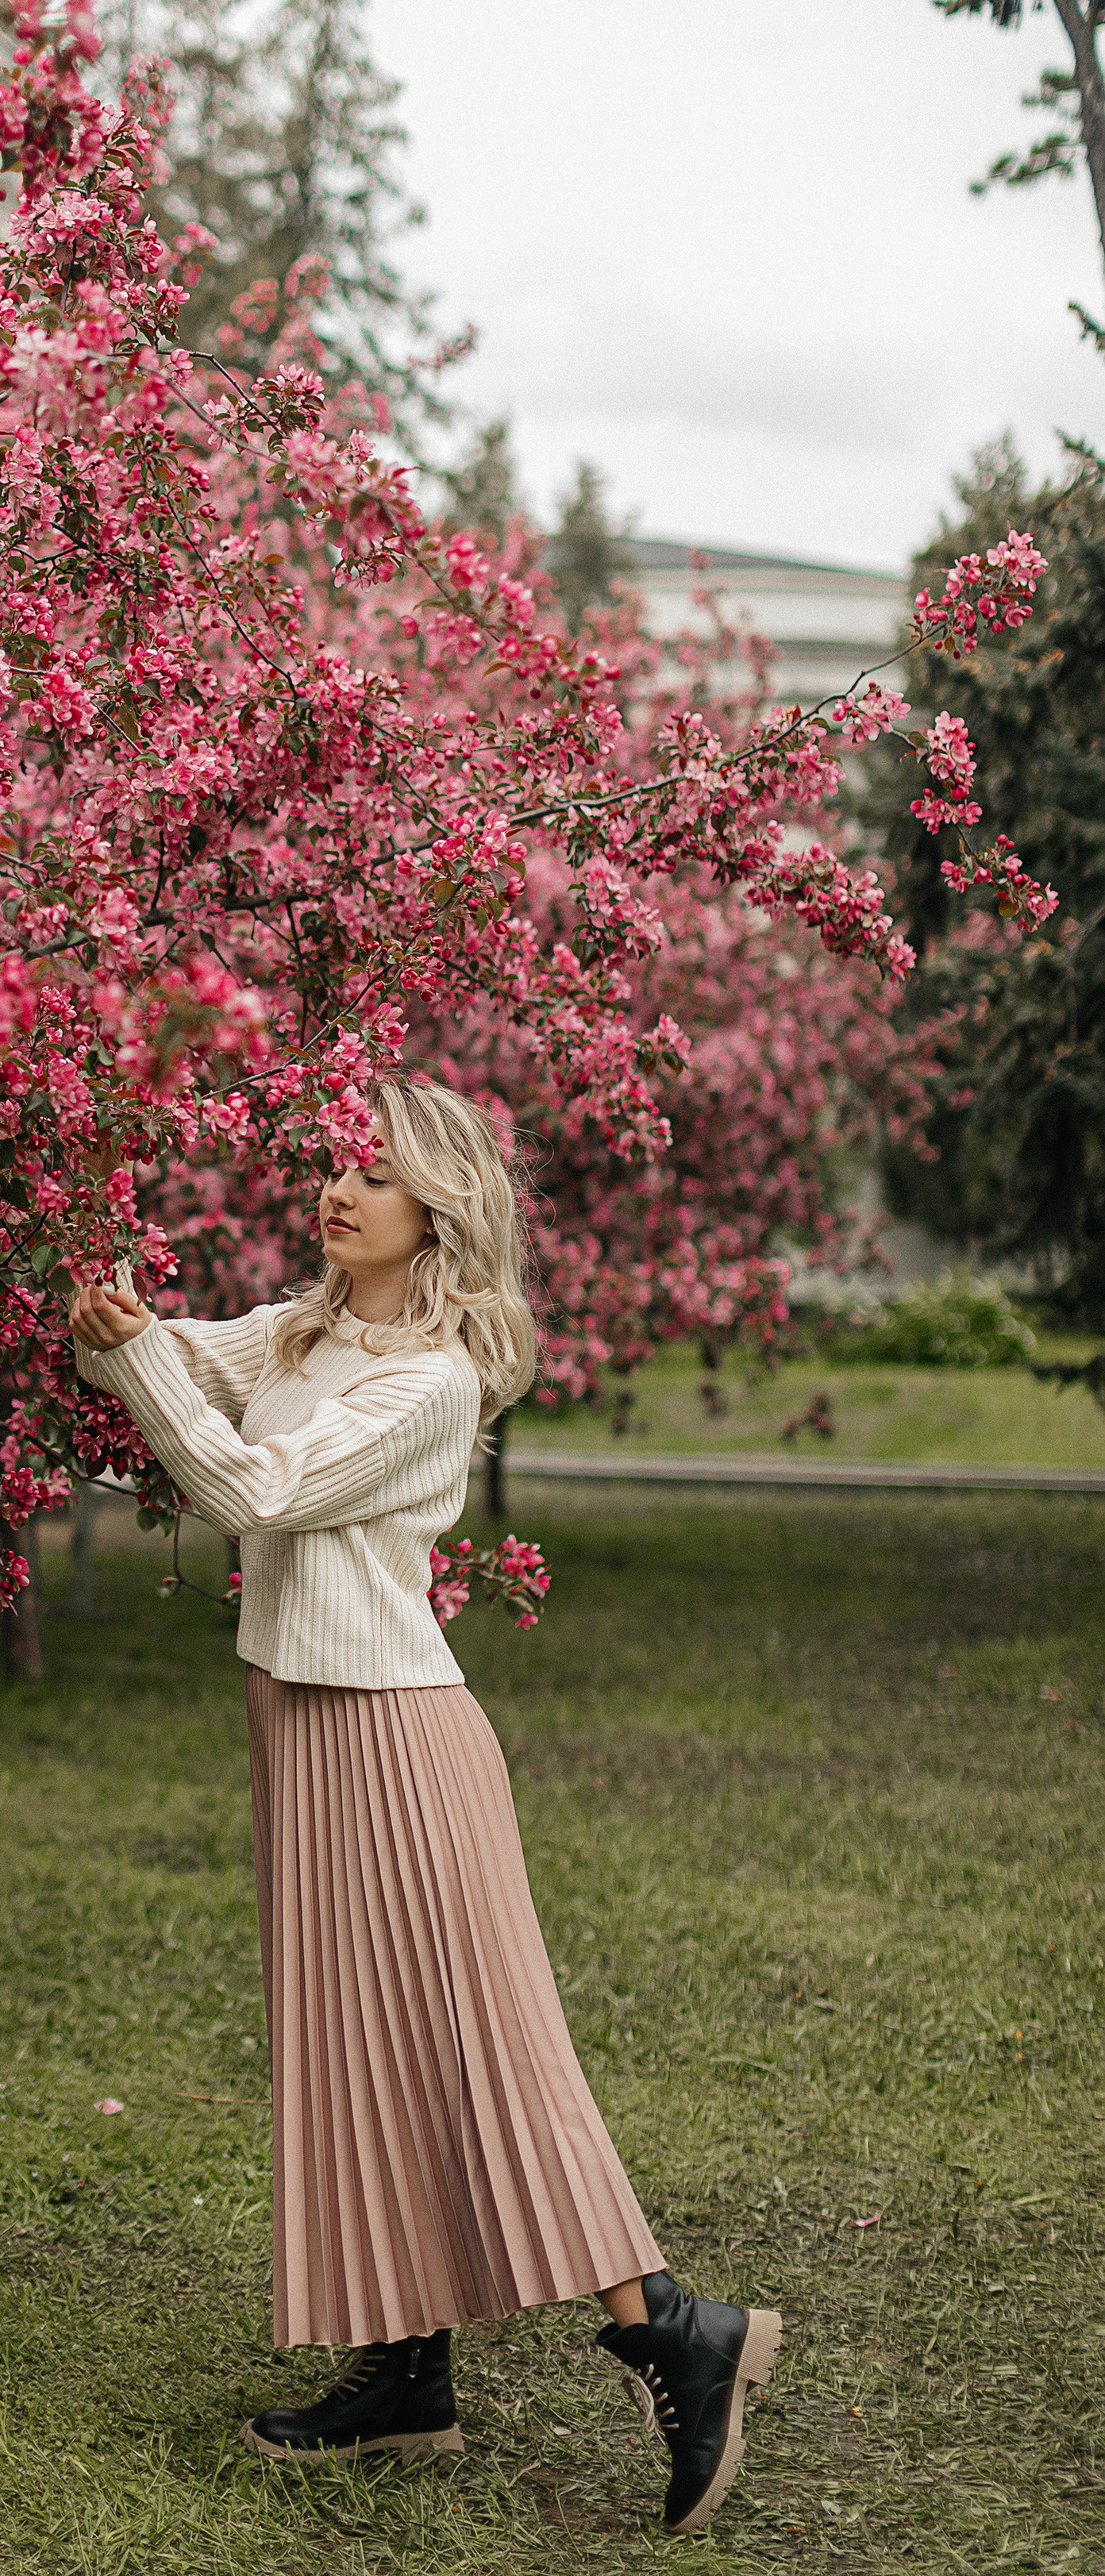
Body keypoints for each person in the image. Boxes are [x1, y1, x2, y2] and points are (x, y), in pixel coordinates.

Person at [67, 1076, 780, 2536]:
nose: (341, 1189)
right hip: (298, 1714)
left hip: (394, 1734)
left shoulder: (434, 1382)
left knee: (483, 2051)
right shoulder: (310, 1326)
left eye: (379, 1174)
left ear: (441, 1209)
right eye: (341, 1162)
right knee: (350, 2045)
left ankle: (675, 2328)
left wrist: (134, 1361)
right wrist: (113, 1325)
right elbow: (178, 1358)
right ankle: (405, 2373)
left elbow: (251, 1490)